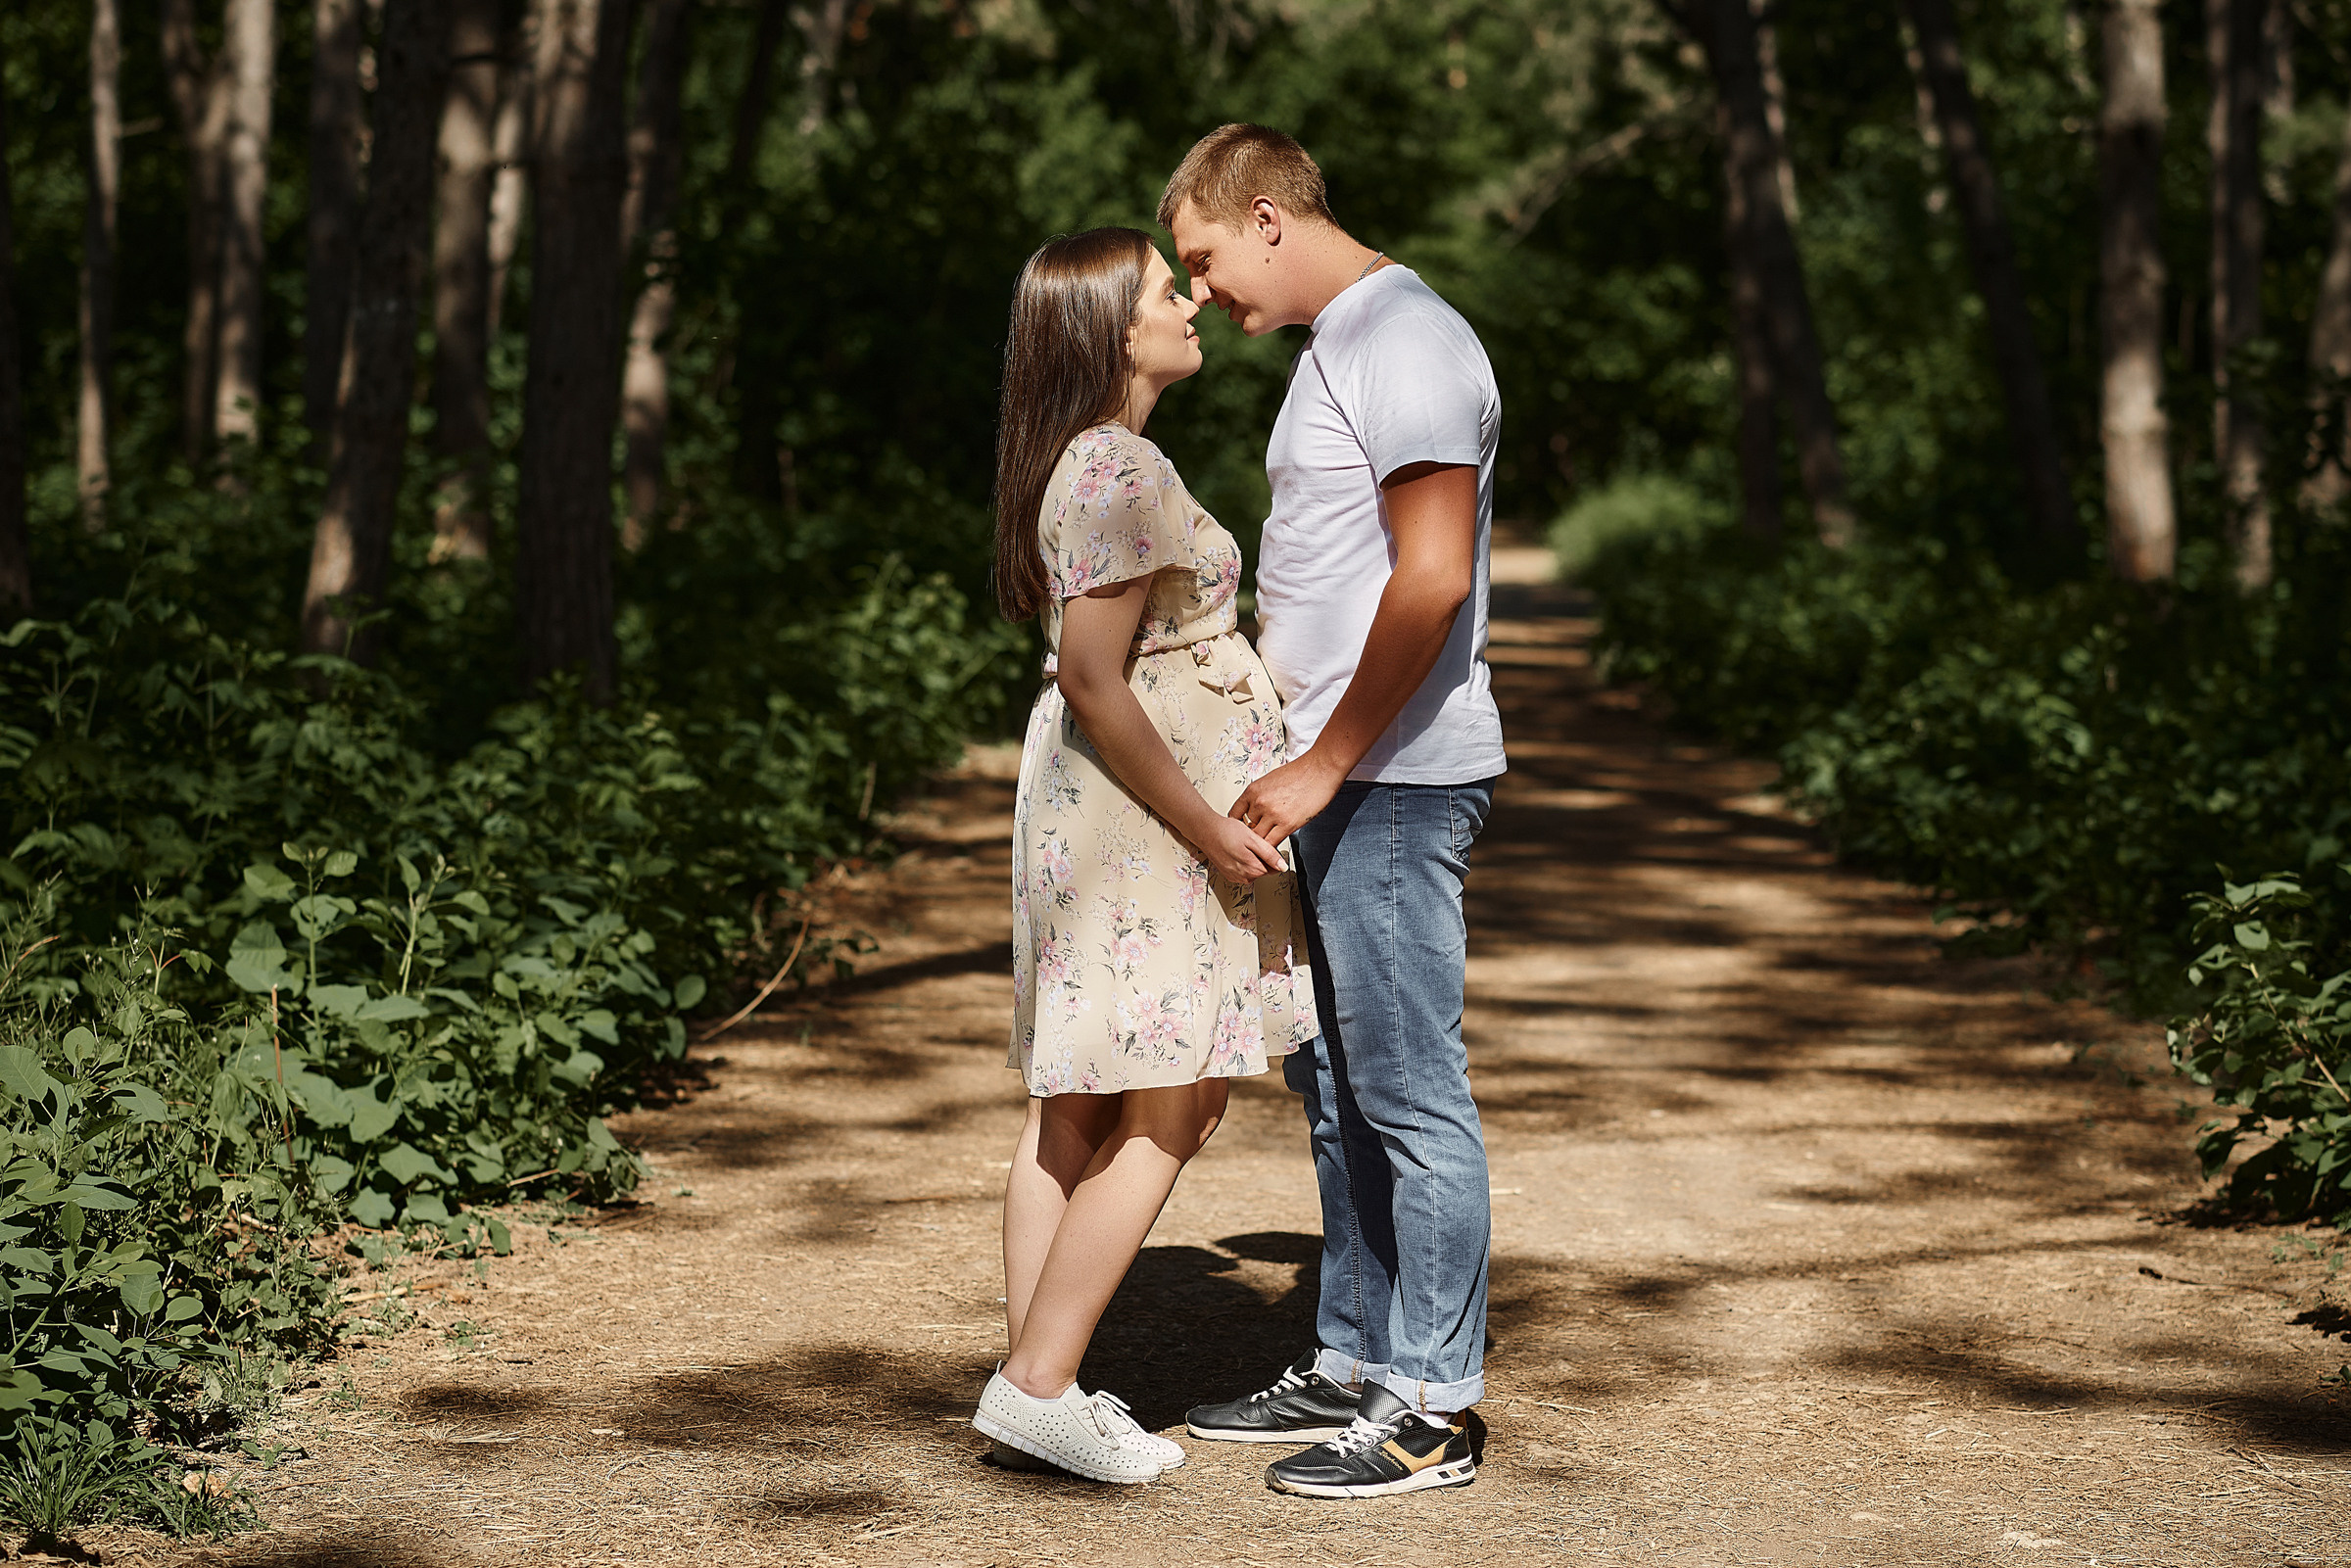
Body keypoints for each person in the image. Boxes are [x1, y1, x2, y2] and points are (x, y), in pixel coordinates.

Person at [1161, 124, 1507, 1499]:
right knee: (1336, 1089)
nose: (1200, 293)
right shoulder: (1337, 349)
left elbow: (1432, 577)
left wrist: (1329, 757)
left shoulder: (1407, 340)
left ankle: (1433, 1407)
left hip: (1396, 778)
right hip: (1335, 780)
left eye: (1201, 258)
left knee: (1411, 1090)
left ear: (1262, 218)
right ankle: (1360, 1355)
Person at [973, 226, 1319, 1484]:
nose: (1192, 303)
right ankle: (1038, 1378)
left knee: (1076, 1099)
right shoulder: (1113, 466)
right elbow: (1096, 678)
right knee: (1178, 1092)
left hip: (1104, 806)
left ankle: (1037, 1381)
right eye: (1170, 290)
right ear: (1115, 326)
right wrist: (1209, 823)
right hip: (1138, 819)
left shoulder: (1092, 458)